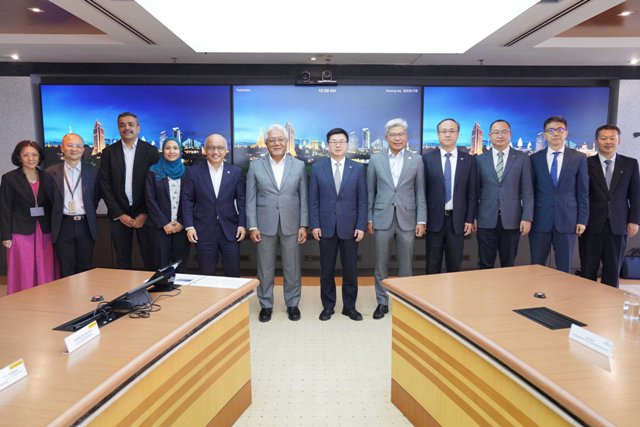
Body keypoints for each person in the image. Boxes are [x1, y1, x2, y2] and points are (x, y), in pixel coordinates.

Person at [246, 124, 308, 322]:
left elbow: (303, 197)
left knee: (292, 267)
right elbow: (250, 198)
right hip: (264, 225)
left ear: (286, 141)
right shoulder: (255, 166)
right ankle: (266, 305)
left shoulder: (298, 165)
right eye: (272, 140)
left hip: (292, 223)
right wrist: (252, 226)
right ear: (266, 143)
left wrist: (303, 225)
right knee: (265, 268)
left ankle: (292, 304)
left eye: (280, 139)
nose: (277, 143)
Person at [367, 118, 426, 319]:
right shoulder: (375, 160)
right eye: (393, 135)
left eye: (401, 134)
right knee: (380, 263)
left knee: (406, 264)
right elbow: (370, 192)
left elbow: (420, 192)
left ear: (406, 136)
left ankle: (404, 303)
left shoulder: (416, 160)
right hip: (381, 217)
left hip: (408, 218)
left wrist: (421, 220)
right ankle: (382, 302)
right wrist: (369, 218)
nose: (397, 138)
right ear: (386, 137)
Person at [309, 128, 367, 321]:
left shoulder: (357, 168)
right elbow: (313, 200)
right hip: (325, 227)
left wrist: (360, 226)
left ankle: (349, 307)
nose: (338, 145)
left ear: (347, 144)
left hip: (350, 227)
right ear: (328, 145)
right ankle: (328, 307)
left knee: (350, 270)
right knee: (326, 270)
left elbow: (363, 201)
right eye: (334, 141)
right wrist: (315, 224)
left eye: (341, 141)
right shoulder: (317, 168)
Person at [579, 124, 640, 287]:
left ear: (618, 140)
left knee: (612, 273)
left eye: (612, 138)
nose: (608, 142)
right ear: (596, 141)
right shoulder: (585, 163)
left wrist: (634, 220)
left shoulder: (630, 164)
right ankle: (585, 301)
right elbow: (580, 194)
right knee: (587, 272)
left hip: (618, 225)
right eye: (603, 138)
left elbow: (635, 195)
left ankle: (610, 302)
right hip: (590, 225)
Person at [99, 112, 160, 270]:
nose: (127, 128)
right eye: (122, 125)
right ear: (118, 128)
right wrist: (120, 214)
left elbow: (156, 186)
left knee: (150, 259)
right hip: (118, 214)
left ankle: (151, 287)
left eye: (131, 124)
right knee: (122, 260)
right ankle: (124, 288)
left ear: (138, 128)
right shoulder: (108, 152)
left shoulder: (151, 152)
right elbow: (105, 185)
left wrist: (145, 213)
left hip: (145, 214)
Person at [530, 116, 588, 273]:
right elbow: (530, 191)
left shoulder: (578, 158)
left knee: (564, 267)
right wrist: (528, 217)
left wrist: (582, 220)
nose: (555, 133)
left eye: (559, 129)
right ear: (545, 134)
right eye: (551, 130)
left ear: (566, 133)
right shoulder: (535, 158)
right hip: (540, 220)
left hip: (568, 220)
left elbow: (583, 192)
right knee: (536, 266)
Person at [182, 134, 245, 276]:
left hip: (230, 230)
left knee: (233, 273)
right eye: (211, 147)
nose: (216, 152)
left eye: (220, 148)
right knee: (206, 274)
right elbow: (187, 200)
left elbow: (242, 200)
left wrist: (242, 224)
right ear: (205, 150)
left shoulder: (235, 172)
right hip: (203, 231)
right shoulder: (193, 172)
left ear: (226, 150)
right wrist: (189, 226)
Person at [0, 140, 57, 294]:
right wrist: (5, 235)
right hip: (20, 231)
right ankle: (23, 298)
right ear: (19, 157)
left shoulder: (47, 177)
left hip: (45, 230)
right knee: (24, 267)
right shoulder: (9, 178)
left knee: (45, 265)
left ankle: (45, 296)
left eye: (34, 155)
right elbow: (4, 207)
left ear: (39, 157)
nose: (31, 158)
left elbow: (53, 204)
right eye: (26, 155)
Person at [475, 119, 534, 268]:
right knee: (484, 264)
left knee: (508, 264)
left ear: (510, 134)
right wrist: (473, 217)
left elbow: (527, 191)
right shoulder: (479, 159)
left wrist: (527, 218)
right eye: (496, 132)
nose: (500, 136)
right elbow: (474, 192)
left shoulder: (522, 158)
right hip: (485, 219)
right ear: (489, 136)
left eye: (504, 132)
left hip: (512, 220)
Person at [423, 118, 476, 274]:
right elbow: (422, 192)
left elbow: (472, 193)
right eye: (444, 131)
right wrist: (422, 219)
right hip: (433, 221)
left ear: (458, 134)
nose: (448, 134)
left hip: (457, 221)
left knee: (454, 266)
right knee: (432, 266)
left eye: (452, 131)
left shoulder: (469, 160)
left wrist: (469, 219)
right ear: (438, 134)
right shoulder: (427, 159)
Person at [46, 133, 100, 277]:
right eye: (70, 145)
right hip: (63, 225)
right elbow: (49, 199)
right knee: (66, 269)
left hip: (85, 224)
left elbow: (95, 198)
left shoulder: (93, 172)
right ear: (62, 148)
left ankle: (83, 292)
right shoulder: (50, 173)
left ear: (83, 149)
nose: (74, 149)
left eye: (78, 146)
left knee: (85, 268)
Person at [145, 138, 190, 273]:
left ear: (180, 151)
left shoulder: (188, 172)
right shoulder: (153, 171)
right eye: (167, 148)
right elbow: (150, 199)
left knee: (180, 267)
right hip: (159, 227)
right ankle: (161, 287)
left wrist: (181, 222)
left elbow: (191, 200)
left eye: (175, 148)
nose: (171, 151)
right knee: (160, 267)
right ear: (163, 151)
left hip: (181, 227)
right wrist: (164, 223)